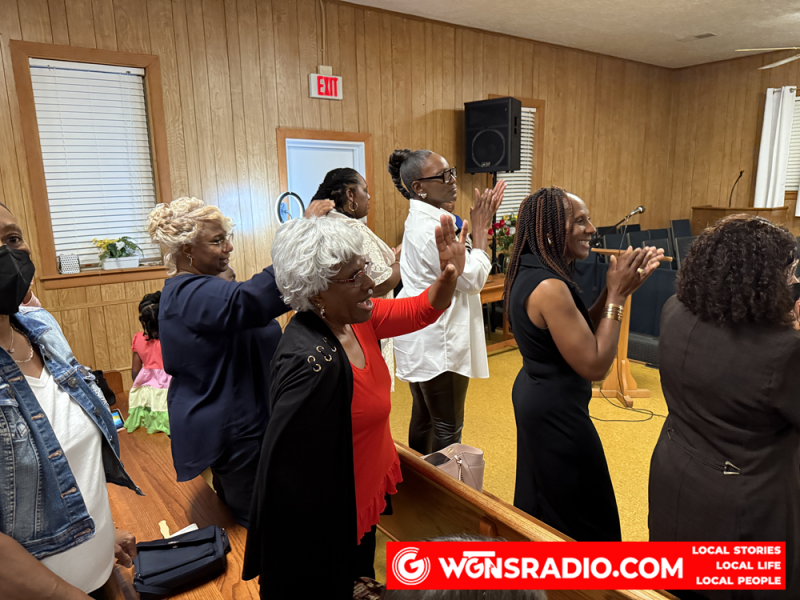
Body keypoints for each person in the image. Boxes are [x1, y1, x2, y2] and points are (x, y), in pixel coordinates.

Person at [244, 215, 468, 599]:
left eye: (364, 269)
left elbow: (420, 310)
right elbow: (288, 475)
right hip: (333, 518)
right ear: (317, 292)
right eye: (354, 277)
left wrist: (448, 277)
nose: (369, 283)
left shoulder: (354, 319)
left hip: (364, 493)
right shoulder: (309, 362)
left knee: (361, 572)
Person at [147, 197, 331, 527]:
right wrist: (302, 234)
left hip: (245, 421)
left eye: (226, 237)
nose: (228, 247)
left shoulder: (197, 288)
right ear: (187, 249)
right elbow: (251, 299)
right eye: (217, 240)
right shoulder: (188, 291)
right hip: (234, 431)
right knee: (259, 520)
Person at [649, 215, 800, 599]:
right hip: (742, 503)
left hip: (674, 473)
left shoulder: (673, 310)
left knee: (678, 583)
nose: (794, 281)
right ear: (762, 280)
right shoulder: (783, 351)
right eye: (789, 273)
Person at [504, 187, 662, 542]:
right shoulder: (549, 287)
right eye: (580, 221)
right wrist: (617, 298)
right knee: (586, 514)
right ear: (550, 231)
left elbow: (579, 333)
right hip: (555, 409)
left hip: (539, 395)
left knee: (547, 502)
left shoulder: (533, 268)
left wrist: (614, 291)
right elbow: (594, 365)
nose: (592, 229)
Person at [0, 202, 141, 600]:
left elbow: (68, 462)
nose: (7, 254)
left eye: (12, 238)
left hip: (101, 574)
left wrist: (99, 533)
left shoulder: (42, 328)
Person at [387, 148, 505, 455]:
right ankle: (443, 485)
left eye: (451, 172)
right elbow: (471, 280)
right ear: (419, 187)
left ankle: (420, 480)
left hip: (422, 335)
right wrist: (481, 232)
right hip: (439, 339)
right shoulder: (435, 228)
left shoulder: (422, 218)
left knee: (424, 417)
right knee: (446, 426)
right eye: (443, 176)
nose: (453, 180)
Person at [312, 167, 402, 388]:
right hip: (364, 320)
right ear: (350, 195)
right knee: (369, 386)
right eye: (365, 190)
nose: (369, 197)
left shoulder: (325, 222)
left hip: (335, 318)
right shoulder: (351, 229)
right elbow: (380, 282)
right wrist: (400, 262)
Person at [126, 291, 171, 435]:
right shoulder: (172, 338)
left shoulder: (138, 339)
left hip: (148, 401)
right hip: (169, 397)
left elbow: (135, 373)